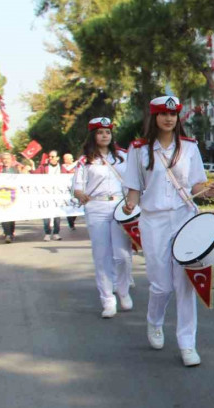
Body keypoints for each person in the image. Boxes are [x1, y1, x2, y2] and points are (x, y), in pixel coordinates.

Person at [122, 96, 214, 367]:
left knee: (185, 285)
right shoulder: (139, 149)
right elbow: (133, 189)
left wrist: (207, 190)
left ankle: (188, 344)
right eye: (163, 114)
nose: (169, 118)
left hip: (185, 218)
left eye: (173, 114)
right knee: (161, 285)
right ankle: (154, 322)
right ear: (154, 117)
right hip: (153, 221)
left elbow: (196, 185)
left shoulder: (189, 148)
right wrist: (129, 205)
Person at [73, 117, 134, 318]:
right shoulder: (85, 161)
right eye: (100, 132)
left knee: (123, 255)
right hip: (96, 207)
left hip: (120, 206)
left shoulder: (124, 156)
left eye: (108, 132)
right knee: (102, 256)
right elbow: (77, 187)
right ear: (93, 135)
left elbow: (134, 181)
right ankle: (108, 299)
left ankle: (123, 290)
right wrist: (81, 195)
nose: (105, 135)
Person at [0, 152, 26, 243]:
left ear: (11, 160)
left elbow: (22, 181)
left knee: (11, 216)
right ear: (1, 160)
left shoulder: (16, 170)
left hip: (13, 196)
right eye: (4, 159)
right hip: (1, 195)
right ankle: (7, 233)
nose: (6, 160)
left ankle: (10, 232)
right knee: (4, 216)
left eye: (7, 158)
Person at [36, 150, 63, 241]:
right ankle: (47, 233)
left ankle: (56, 233)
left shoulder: (62, 168)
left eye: (53, 156)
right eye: (49, 156)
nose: (50, 158)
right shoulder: (43, 167)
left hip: (58, 195)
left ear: (57, 158)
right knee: (46, 214)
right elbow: (34, 175)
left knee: (57, 215)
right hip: (46, 195)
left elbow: (70, 177)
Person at [62, 153, 79, 230]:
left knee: (76, 205)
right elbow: (67, 170)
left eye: (72, 158)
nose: (72, 160)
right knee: (69, 206)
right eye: (70, 158)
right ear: (66, 160)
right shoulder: (63, 167)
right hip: (66, 190)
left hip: (75, 189)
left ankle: (73, 220)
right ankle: (71, 223)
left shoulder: (76, 167)